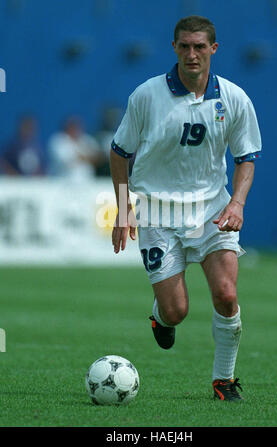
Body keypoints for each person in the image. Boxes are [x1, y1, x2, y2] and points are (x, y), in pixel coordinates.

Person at [110, 16, 262, 402]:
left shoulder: (234, 98)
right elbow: (119, 152)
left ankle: (223, 381)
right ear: (174, 48)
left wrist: (237, 202)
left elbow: (246, 156)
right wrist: (124, 210)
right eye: (184, 46)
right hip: (157, 214)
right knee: (177, 311)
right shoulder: (146, 95)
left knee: (227, 294)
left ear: (214, 49)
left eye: (199, 46)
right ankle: (162, 315)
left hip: (212, 210)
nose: (191, 54)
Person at [47, 116, 105, 180]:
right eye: (72, 126)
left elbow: (99, 158)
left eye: (77, 126)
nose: (75, 129)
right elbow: (66, 160)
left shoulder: (87, 139)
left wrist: (81, 157)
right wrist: (87, 157)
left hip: (88, 181)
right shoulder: (58, 140)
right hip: (62, 182)